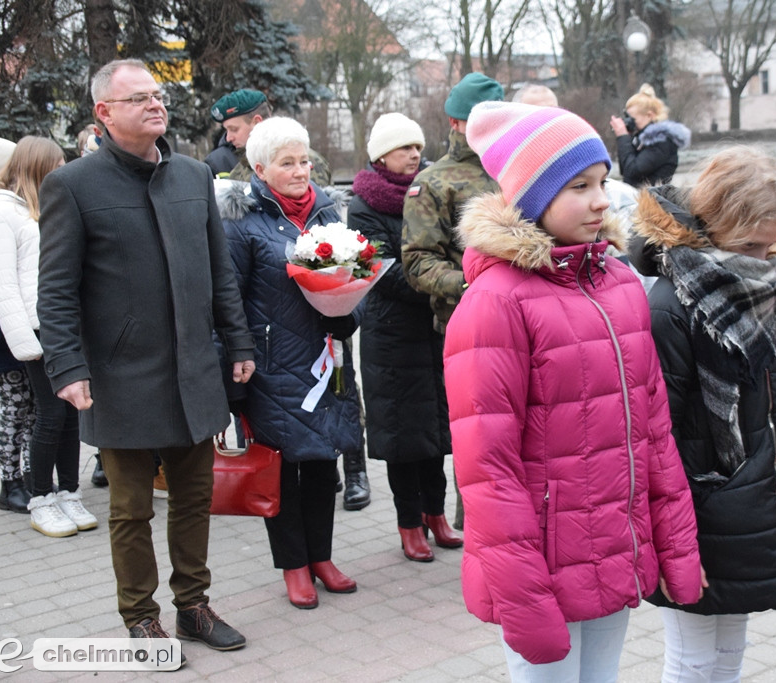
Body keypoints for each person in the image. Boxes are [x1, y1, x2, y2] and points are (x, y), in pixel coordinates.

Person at [443, 101, 703, 679]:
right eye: (579, 186)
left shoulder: (618, 285)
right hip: (543, 560)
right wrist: (524, 597)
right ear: (533, 197)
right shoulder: (495, 304)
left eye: (603, 181)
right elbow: (488, 469)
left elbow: (653, 431)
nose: (601, 200)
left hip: (614, 544)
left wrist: (677, 549)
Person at [37, 59, 253, 657]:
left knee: (193, 499)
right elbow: (54, 290)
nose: (155, 105)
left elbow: (219, 273)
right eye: (138, 98)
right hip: (120, 373)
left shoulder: (190, 176)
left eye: (157, 95)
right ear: (104, 113)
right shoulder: (73, 185)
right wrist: (67, 367)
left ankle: (194, 607)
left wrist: (238, 344)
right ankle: (140, 618)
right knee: (131, 510)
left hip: (192, 369)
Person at [627, 146, 776, 681]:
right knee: (692, 660)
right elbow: (657, 435)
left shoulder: (772, 292)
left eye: (773, 246)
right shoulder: (671, 305)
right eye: (751, 245)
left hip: (752, 511)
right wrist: (672, 541)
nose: (764, 259)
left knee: (727, 656)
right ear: (715, 226)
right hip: (693, 515)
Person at [217, 116, 360, 610]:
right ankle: (294, 566)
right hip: (270, 365)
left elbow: (354, 270)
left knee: (323, 462)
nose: (301, 171)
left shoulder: (326, 210)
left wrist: (347, 314)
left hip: (325, 361)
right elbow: (226, 298)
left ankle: (322, 556)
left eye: (304, 160)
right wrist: (234, 364)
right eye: (287, 163)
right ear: (260, 168)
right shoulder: (241, 221)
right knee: (280, 470)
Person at [348, 113, 459, 563]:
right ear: (381, 157)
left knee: (436, 430)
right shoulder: (363, 204)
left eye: (416, 146)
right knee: (404, 436)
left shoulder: (432, 189)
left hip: (434, 330)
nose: (413, 155)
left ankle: (436, 514)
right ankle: (409, 523)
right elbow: (380, 271)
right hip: (392, 333)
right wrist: (441, 283)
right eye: (402, 149)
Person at [402, 71, 503, 530]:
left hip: (532, 320)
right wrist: (471, 286)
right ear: (455, 122)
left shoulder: (519, 171)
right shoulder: (435, 183)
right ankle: (481, 529)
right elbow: (418, 262)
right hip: (470, 326)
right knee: (480, 435)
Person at [0, 136, 99, 537]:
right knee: (49, 415)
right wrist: (25, 343)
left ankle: (68, 491)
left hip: (62, 325)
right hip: (35, 330)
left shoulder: (43, 209)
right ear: (37, 167)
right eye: (56, 163)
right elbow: (4, 286)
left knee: (70, 414)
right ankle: (40, 498)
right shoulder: (3, 214)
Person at [0, 136, 34, 514]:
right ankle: (9, 483)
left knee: (28, 406)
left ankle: (28, 478)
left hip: (11, 328)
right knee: (16, 407)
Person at [209, 88, 331, 186]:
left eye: (234, 129)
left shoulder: (310, 164)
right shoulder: (241, 168)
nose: (229, 138)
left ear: (257, 122)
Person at [609, 84, 690, 187]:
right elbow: (625, 170)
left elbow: (632, 171)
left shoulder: (660, 141)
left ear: (649, 115)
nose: (629, 122)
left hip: (651, 201)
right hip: (642, 198)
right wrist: (626, 138)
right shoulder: (641, 139)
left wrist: (623, 137)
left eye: (632, 119)